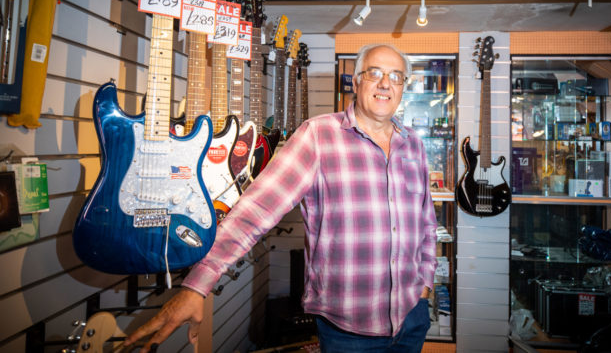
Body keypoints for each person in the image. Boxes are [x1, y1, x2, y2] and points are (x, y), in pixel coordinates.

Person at [125, 44, 438, 353]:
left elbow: (426, 225)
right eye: (375, 73)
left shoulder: (414, 146)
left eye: (396, 76)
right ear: (356, 81)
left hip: (411, 320)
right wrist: (198, 283)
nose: (386, 83)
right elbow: (256, 210)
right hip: (349, 330)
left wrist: (424, 285)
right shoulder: (318, 136)